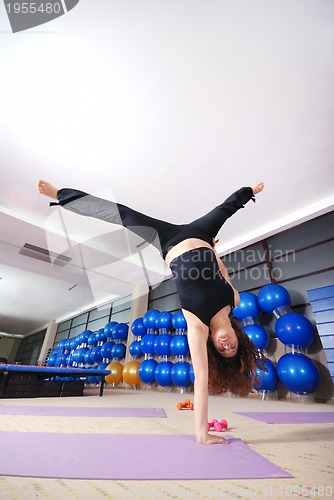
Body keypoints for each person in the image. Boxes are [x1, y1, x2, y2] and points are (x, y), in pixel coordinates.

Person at [37, 179, 265, 445]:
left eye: (222, 349)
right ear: (239, 337)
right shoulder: (233, 300)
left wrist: (202, 435)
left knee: (122, 214)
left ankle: (60, 195)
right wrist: (213, 249)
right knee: (229, 206)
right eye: (233, 347)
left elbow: (201, 380)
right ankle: (250, 190)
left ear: (213, 344)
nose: (226, 345)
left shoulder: (197, 328)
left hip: (168, 241)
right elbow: (223, 273)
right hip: (201, 235)